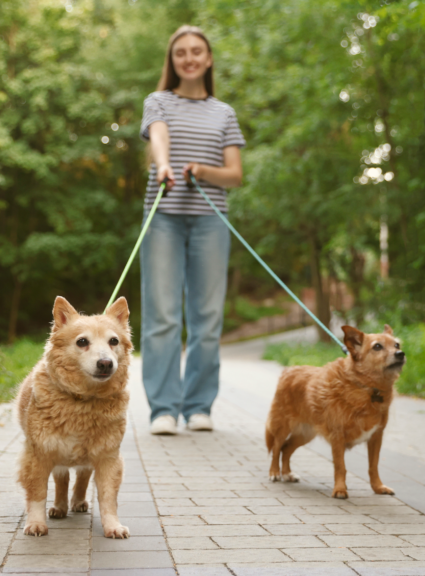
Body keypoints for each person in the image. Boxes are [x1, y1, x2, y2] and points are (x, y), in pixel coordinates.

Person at [138, 25, 245, 435]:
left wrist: (203, 171)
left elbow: (235, 175)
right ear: (173, 60)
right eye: (180, 52)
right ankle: (163, 408)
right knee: (162, 315)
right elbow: (159, 138)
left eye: (196, 51)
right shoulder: (158, 101)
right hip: (162, 217)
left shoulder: (224, 112)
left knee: (206, 316)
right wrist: (164, 165)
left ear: (208, 58)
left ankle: (199, 405)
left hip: (210, 220)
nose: (189, 58)